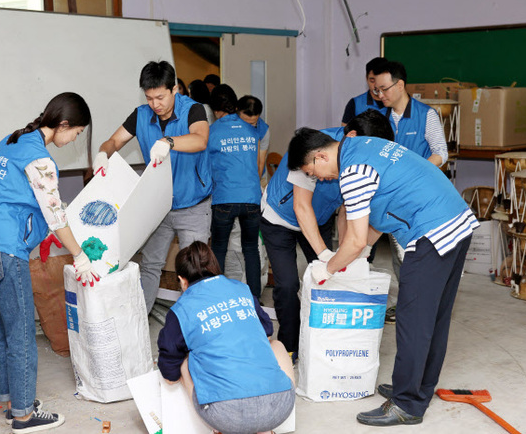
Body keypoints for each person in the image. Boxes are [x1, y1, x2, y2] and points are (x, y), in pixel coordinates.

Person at [287, 128, 478, 426]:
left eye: (314, 171)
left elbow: (353, 240)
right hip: (455, 223)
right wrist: (360, 256)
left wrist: (329, 268)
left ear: (321, 156)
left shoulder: (353, 171)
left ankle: (406, 403)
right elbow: (377, 218)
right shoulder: (365, 145)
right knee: (434, 317)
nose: (320, 178)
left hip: (431, 232)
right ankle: (416, 388)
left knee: (413, 320)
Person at [0, 92, 97, 433]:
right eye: (76, 133)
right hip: (2, 251)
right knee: (21, 333)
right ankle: (23, 416)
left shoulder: (12, 140)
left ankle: (11, 401)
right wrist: (80, 256)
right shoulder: (40, 160)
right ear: (63, 125)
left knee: (2, 329)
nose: (74, 140)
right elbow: (56, 218)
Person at [260, 109, 394, 360]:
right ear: (352, 136)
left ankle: (325, 339)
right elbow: (301, 207)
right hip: (280, 216)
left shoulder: (357, 159)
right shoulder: (314, 148)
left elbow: (347, 210)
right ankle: (290, 346)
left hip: (319, 218)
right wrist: (324, 254)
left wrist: (350, 253)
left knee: (333, 275)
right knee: (288, 284)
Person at [93, 61, 212, 313]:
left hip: (193, 206)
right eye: (149, 98)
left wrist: (169, 141)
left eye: (160, 97)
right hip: (158, 205)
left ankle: (196, 325)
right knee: (150, 264)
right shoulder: (141, 115)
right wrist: (103, 153)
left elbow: (200, 140)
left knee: (195, 270)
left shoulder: (194, 110)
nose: (155, 104)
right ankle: (140, 319)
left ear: (174, 89)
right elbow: (114, 140)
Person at [157, 241, 295, 434]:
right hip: (279, 410)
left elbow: (169, 374)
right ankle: (264, 430)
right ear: (214, 268)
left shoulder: (181, 310)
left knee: (184, 362)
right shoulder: (241, 289)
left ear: (182, 280)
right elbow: (266, 331)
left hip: (226, 417)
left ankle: (218, 429)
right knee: (276, 345)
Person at [372, 60, 450, 322]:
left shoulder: (425, 114)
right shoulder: (381, 119)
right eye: (376, 91)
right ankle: (408, 305)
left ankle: (426, 307)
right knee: (399, 255)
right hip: (394, 200)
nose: (380, 95)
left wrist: (414, 175)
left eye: (384, 89)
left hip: (421, 198)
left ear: (400, 84)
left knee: (422, 255)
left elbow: (441, 152)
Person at [207, 86, 263, 298]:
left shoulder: (212, 132)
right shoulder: (251, 130)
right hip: (251, 197)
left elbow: (207, 167)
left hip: (224, 197)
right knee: (251, 249)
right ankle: (255, 299)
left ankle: (217, 296)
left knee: (219, 248)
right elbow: (256, 163)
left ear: (215, 109)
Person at [341, 56, 388, 126]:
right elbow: (344, 132)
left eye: (380, 81)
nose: (376, 86)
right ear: (366, 78)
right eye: (372, 81)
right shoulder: (355, 104)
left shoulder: (396, 103)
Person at [237, 95, 270, 178]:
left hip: (254, 176)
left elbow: (261, 162)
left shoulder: (263, 130)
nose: (248, 127)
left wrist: (255, 184)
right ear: (237, 112)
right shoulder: (227, 127)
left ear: (259, 116)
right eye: (244, 123)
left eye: (252, 123)